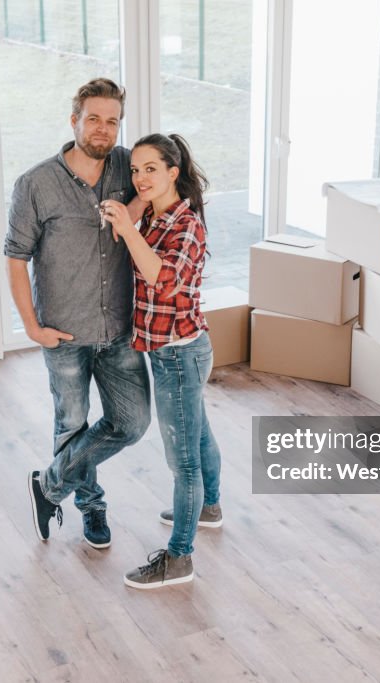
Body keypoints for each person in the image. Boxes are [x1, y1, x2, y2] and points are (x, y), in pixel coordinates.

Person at [5, 78, 151, 549]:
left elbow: (166, 178)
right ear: (74, 121)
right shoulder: (35, 184)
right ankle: (91, 507)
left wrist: (139, 199)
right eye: (95, 118)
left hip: (120, 329)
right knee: (72, 425)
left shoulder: (129, 167)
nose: (104, 129)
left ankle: (47, 487)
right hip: (64, 333)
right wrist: (31, 327)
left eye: (113, 121)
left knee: (132, 423)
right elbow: (15, 257)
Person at [99, 133, 223, 589]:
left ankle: (180, 558)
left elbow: (164, 282)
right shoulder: (153, 215)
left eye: (152, 168)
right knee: (200, 432)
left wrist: (129, 228)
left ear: (174, 172)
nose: (140, 177)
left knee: (183, 460)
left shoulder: (185, 225)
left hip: (179, 355)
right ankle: (209, 507)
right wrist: (132, 213)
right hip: (174, 350)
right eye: (135, 169)